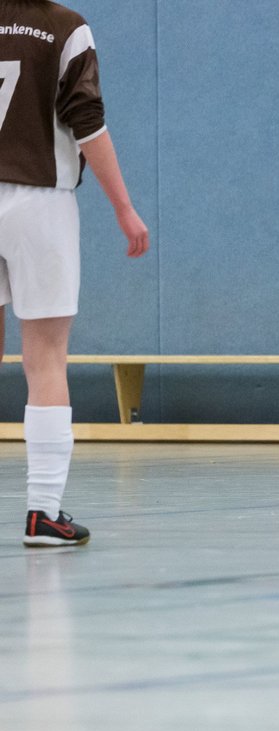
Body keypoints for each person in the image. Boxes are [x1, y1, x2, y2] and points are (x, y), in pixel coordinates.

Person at [0, 0, 150, 546]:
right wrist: (124, 207)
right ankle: (42, 512)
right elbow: (88, 123)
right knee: (45, 358)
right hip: (41, 203)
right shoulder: (67, 27)